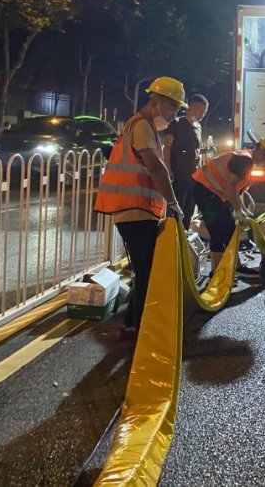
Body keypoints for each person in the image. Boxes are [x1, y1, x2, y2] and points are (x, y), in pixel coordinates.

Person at [94, 76, 186, 335]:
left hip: (138, 210)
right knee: (146, 271)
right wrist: (173, 202)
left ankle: (134, 322)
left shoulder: (143, 127)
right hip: (135, 211)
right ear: (156, 101)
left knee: (145, 269)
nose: (173, 116)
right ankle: (142, 327)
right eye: (172, 108)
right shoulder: (142, 126)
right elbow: (155, 167)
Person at [191, 136, 265, 276]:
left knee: (229, 230)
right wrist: (239, 211)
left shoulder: (246, 160)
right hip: (205, 192)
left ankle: (236, 267)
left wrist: (243, 210)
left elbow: (233, 191)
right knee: (218, 233)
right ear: (263, 152)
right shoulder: (244, 161)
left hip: (212, 193)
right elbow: (230, 188)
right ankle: (216, 274)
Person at [162, 93, 209, 229]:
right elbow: (167, 146)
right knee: (176, 210)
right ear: (191, 107)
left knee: (189, 211)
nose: (202, 115)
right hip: (178, 174)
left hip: (193, 176)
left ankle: (185, 236)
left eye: (204, 112)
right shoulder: (176, 123)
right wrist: (168, 167)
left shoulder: (198, 127)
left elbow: (195, 150)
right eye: (200, 111)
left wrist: (205, 152)